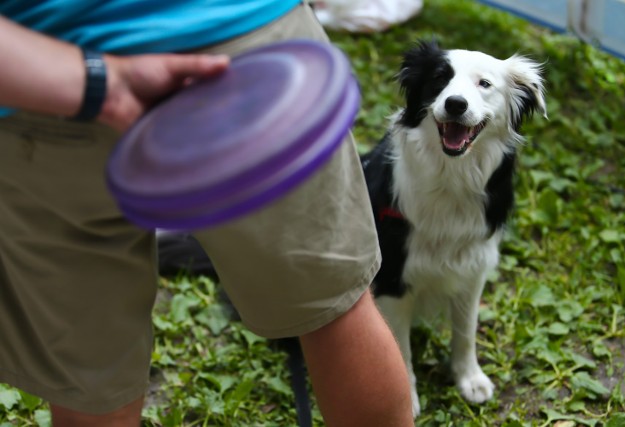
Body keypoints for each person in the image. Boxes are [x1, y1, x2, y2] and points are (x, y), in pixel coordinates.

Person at [0, 2, 414, 426]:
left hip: (44, 73)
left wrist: (90, 81)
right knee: (337, 312)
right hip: (247, 43)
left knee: (89, 373)